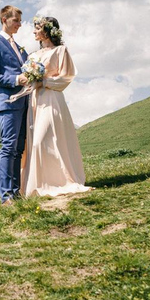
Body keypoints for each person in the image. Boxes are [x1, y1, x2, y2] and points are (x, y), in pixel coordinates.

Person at [20, 16, 92, 198]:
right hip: (35, 100)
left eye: (37, 28)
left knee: (43, 140)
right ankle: (40, 182)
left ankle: (58, 181)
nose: (34, 31)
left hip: (52, 98)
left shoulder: (61, 51)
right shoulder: (32, 56)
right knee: (36, 140)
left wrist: (44, 81)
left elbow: (66, 77)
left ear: (47, 31)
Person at [0, 5, 29, 205]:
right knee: (8, 147)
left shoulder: (21, 48)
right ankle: (6, 196)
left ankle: (16, 192)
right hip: (8, 102)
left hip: (25, 102)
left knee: (19, 149)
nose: (19, 24)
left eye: (20, 21)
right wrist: (15, 79)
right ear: (4, 19)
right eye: (16, 21)